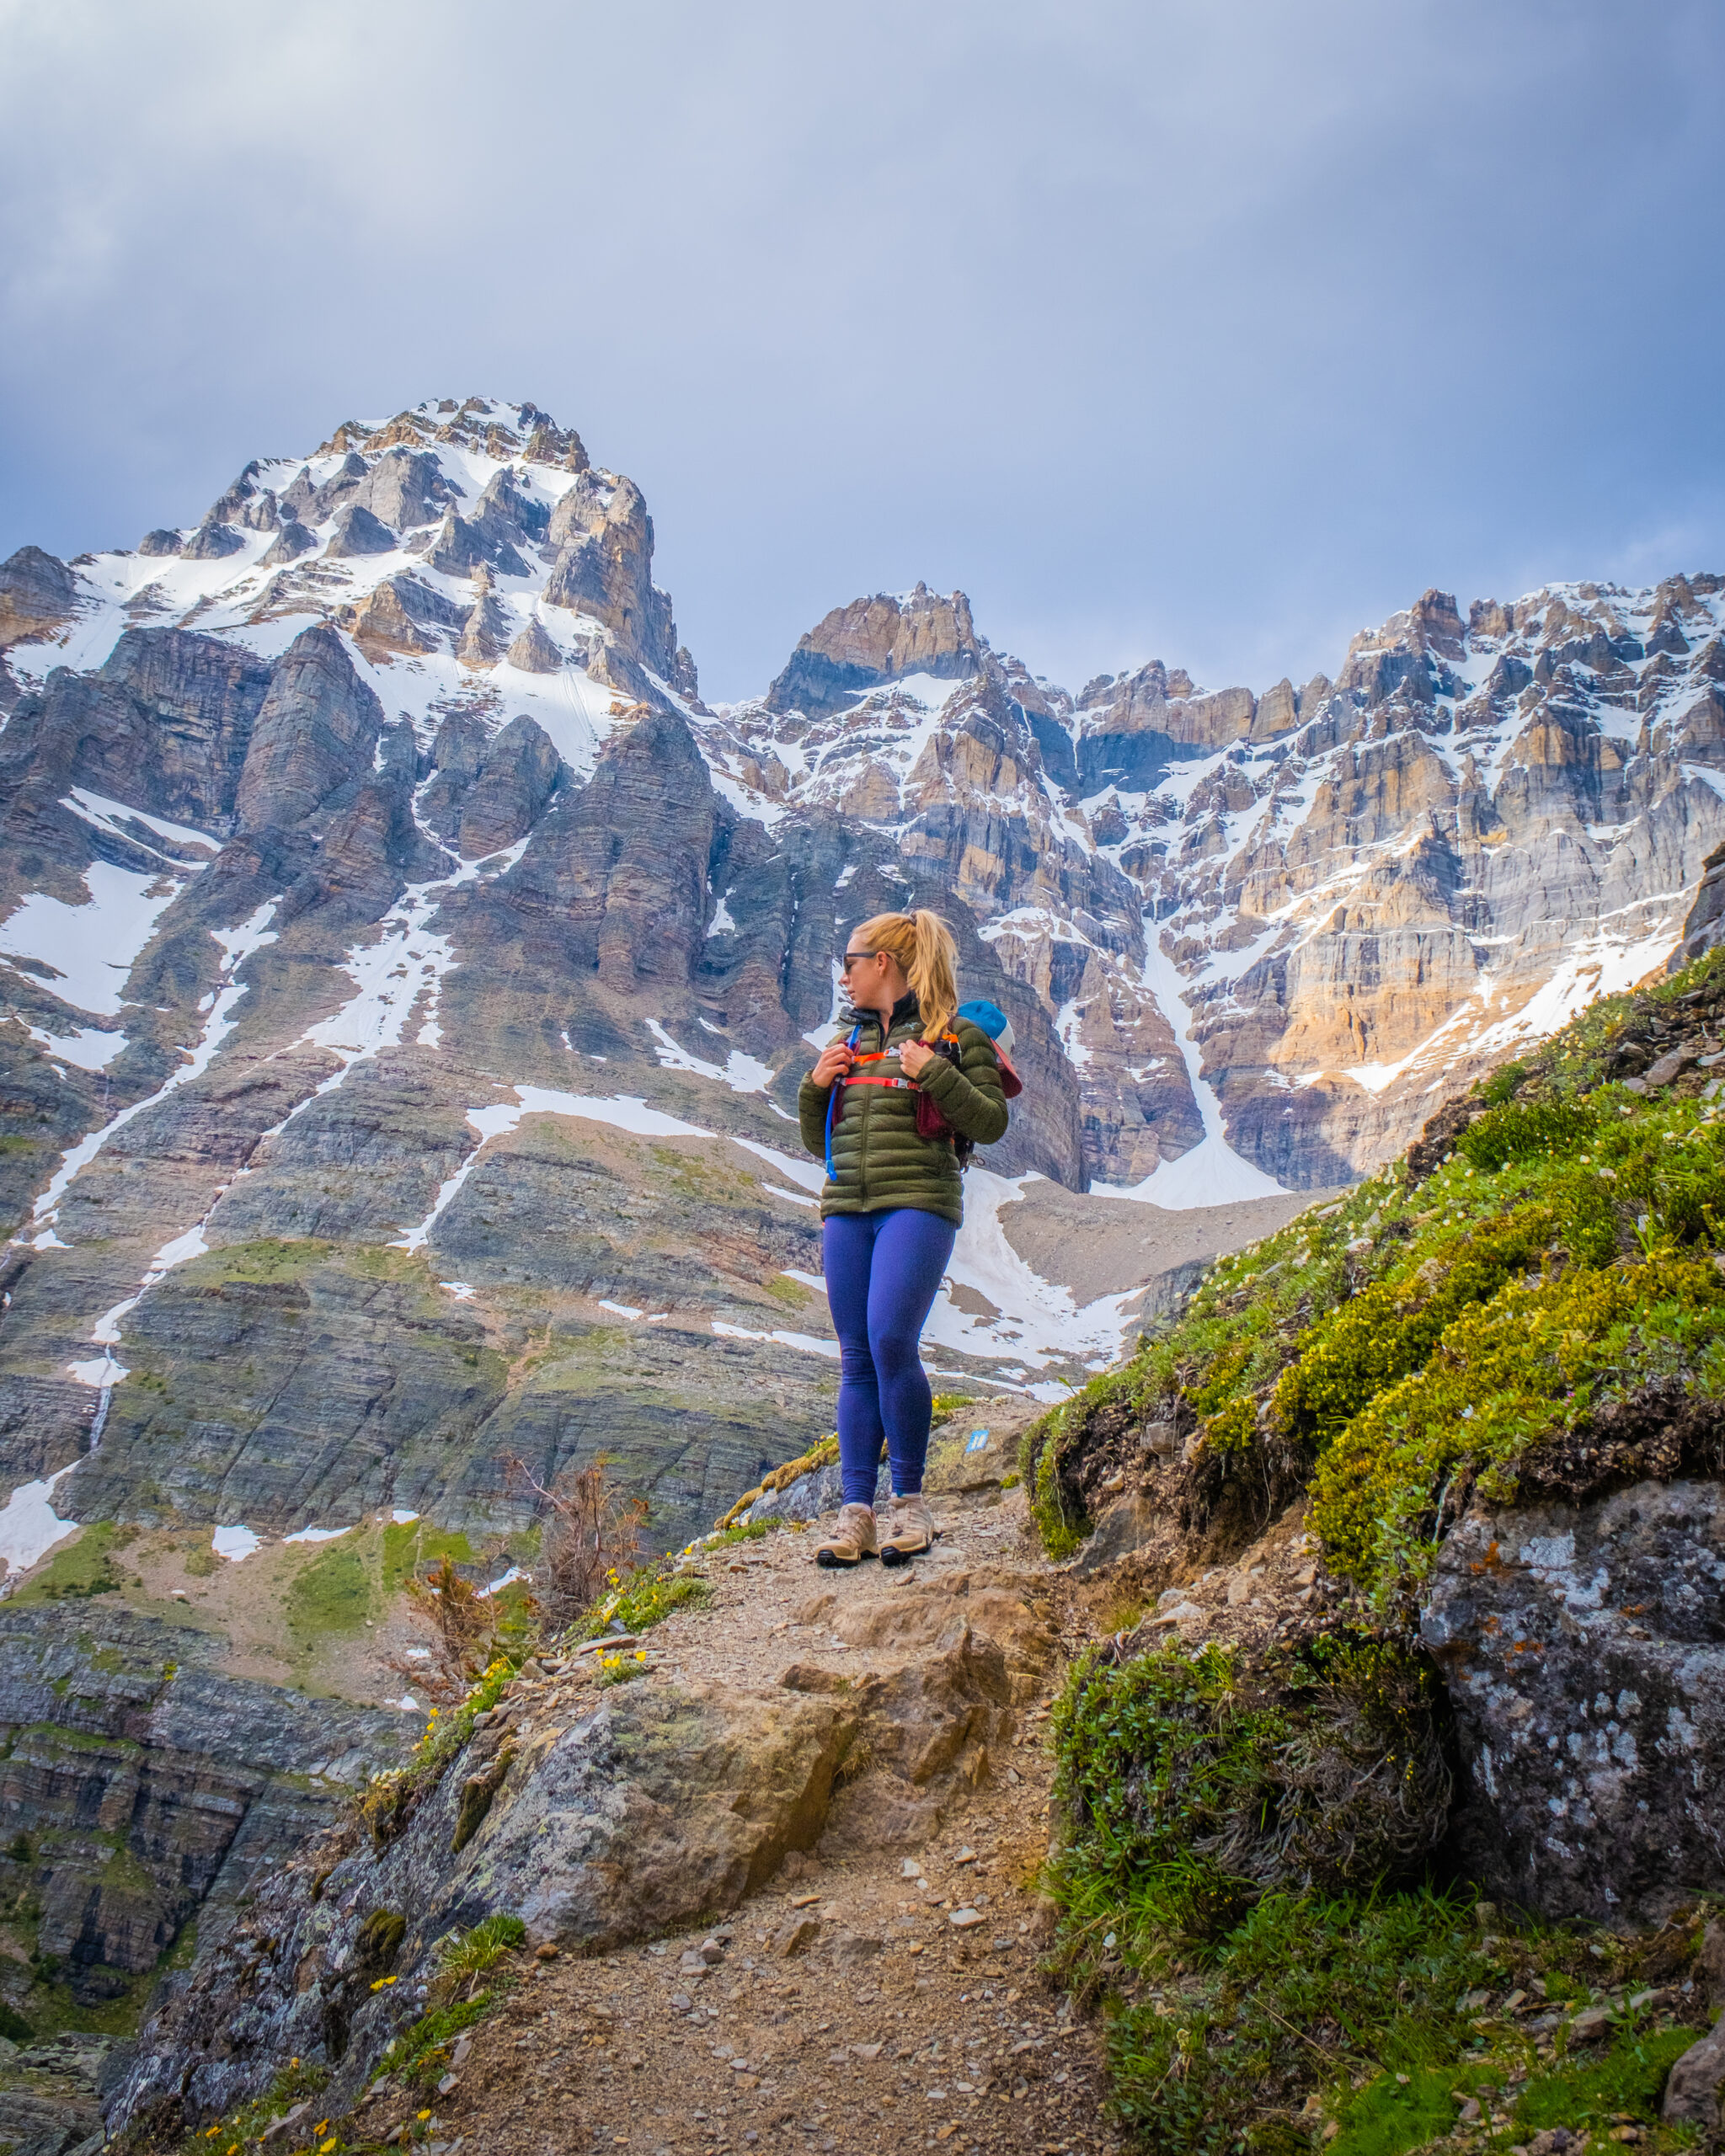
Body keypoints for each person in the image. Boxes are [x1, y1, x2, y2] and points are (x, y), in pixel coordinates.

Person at [798, 910, 1009, 1566]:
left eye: (852, 961)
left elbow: (992, 1121)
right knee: (856, 1355)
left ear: (883, 963)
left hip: (918, 1202)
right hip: (848, 1207)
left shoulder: (956, 1035)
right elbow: (820, 1143)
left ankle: (911, 1506)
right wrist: (816, 1087)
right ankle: (855, 1515)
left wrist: (932, 1072)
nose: (845, 975)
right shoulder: (848, 1041)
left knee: (892, 1339)